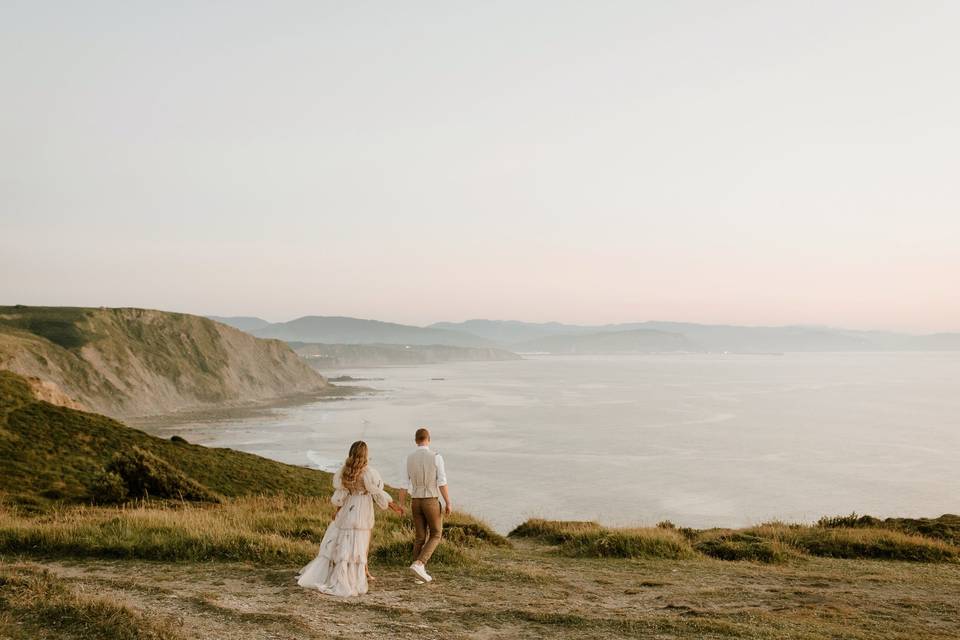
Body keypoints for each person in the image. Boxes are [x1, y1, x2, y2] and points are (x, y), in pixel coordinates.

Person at [298, 440, 403, 597]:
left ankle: (360, 571)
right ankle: (359, 573)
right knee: (362, 541)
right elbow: (377, 494)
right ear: (365, 455)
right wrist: (394, 506)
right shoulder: (368, 473)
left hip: (348, 508)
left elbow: (342, 494)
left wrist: (337, 511)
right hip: (362, 509)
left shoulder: (345, 472)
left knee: (344, 542)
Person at [398, 427, 451, 583]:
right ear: (429, 439)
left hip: (415, 501)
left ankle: (418, 576)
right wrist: (448, 502)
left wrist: (401, 504)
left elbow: (403, 484)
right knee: (436, 534)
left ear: (416, 441)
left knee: (420, 537)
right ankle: (419, 564)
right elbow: (442, 482)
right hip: (430, 500)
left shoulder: (408, 458)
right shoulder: (436, 456)